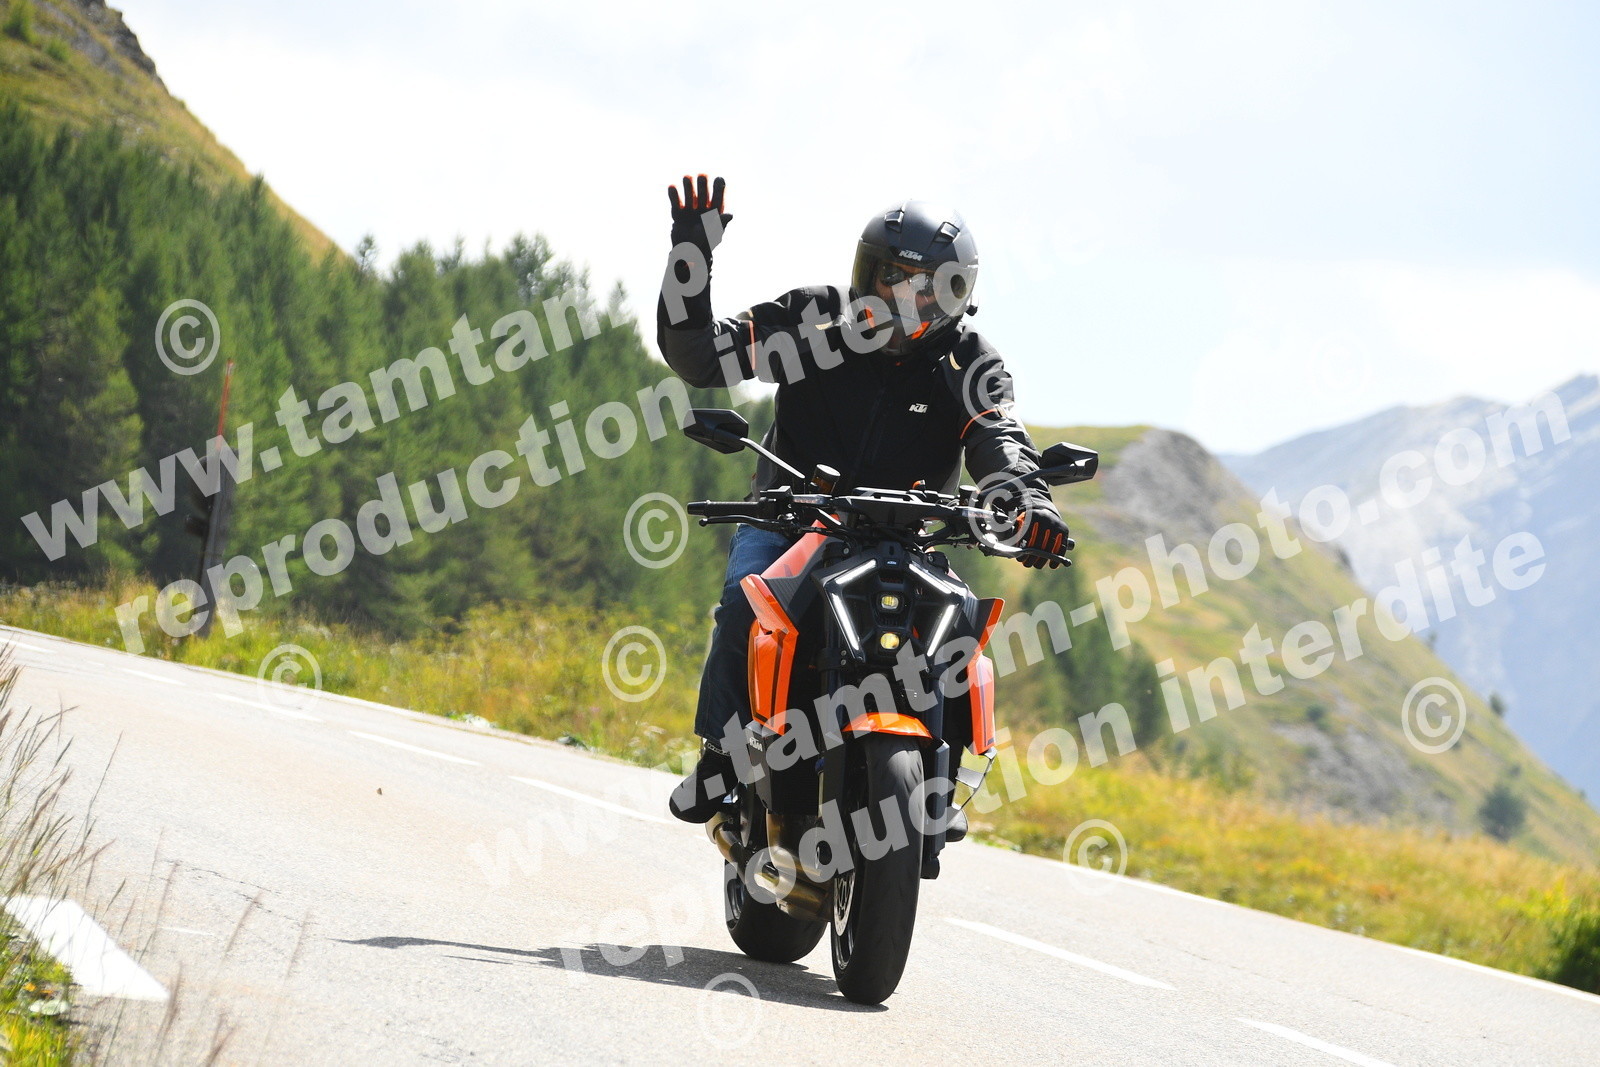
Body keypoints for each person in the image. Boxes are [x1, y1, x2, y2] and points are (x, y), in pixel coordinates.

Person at [657, 174, 1071, 823]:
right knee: (746, 600)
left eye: (925, 285)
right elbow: (700, 355)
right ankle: (724, 755)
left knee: (961, 622)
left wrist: (1029, 504)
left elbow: (999, 437)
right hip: (794, 519)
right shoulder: (812, 320)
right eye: (890, 276)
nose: (903, 296)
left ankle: (941, 773)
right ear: (865, 272)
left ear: (956, 293)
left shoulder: (969, 361)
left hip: (906, 537)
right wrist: (692, 249)